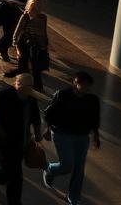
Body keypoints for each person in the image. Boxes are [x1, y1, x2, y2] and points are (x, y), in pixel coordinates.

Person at [43, 71, 101, 205]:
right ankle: (50, 169)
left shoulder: (92, 100)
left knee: (79, 168)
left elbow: (95, 118)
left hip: (82, 136)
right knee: (67, 165)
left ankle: (74, 195)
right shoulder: (62, 95)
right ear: (76, 84)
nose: (88, 89)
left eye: (89, 86)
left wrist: (96, 135)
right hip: (61, 134)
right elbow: (49, 113)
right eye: (85, 85)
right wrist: (47, 129)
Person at [0, 74, 42, 204]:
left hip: (21, 142)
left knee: (10, 173)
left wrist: (37, 133)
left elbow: (36, 117)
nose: (30, 89)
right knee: (15, 176)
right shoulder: (5, 95)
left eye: (31, 86)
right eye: (28, 86)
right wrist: (0, 131)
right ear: (18, 85)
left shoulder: (31, 98)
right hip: (5, 142)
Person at [5, 0, 50, 91]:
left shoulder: (43, 18)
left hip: (37, 43)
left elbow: (44, 32)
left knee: (35, 65)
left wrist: (45, 44)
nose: (36, 10)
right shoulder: (25, 16)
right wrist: (15, 44)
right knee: (23, 62)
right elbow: (17, 31)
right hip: (24, 42)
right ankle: (21, 83)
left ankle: (37, 86)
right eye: (34, 7)